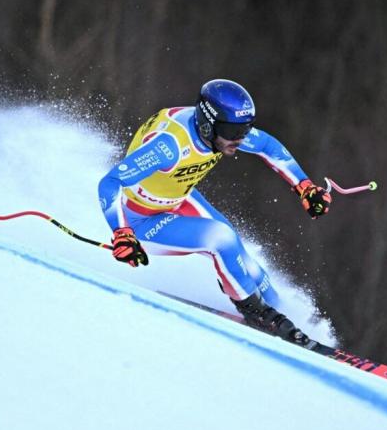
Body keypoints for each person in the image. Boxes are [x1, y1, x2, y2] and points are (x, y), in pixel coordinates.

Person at [98, 79, 332, 348]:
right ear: (209, 124)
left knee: (245, 260)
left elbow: (268, 146)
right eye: (234, 131)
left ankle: (288, 318)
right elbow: (110, 182)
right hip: (141, 221)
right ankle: (255, 312)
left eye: (245, 129)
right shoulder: (169, 147)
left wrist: (303, 186)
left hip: (177, 199)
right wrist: (122, 232)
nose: (240, 138)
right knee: (220, 239)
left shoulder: (220, 131)